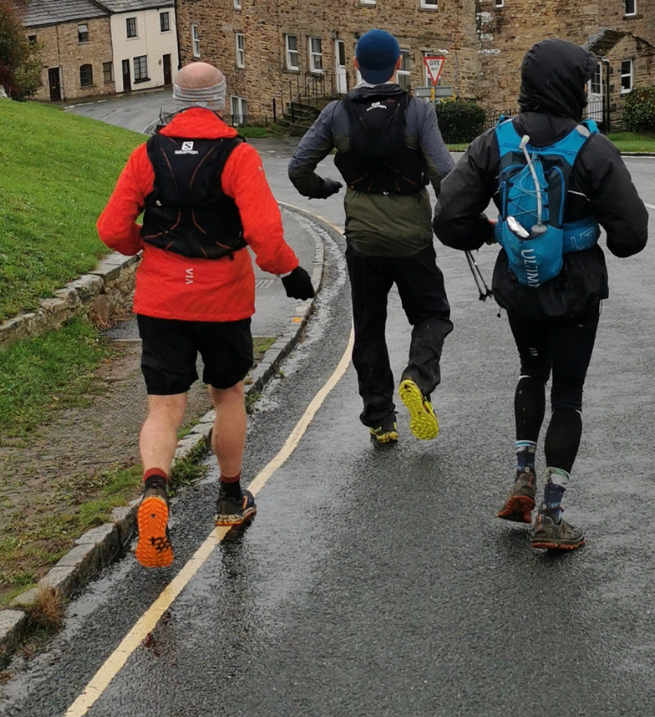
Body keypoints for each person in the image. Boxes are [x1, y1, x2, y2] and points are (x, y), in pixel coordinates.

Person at [98, 62, 315, 569]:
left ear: (175, 98)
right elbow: (263, 233)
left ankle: (155, 491)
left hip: (161, 298)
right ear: (221, 100)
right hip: (222, 298)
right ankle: (229, 498)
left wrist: (142, 247)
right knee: (227, 395)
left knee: (165, 407)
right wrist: (288, 271)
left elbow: (111, 228)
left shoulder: (147, 153)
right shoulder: (237, 155)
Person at [434, 39, 647, 551]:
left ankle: (522, 479)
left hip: (520, 286)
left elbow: (447, 219)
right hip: (575, 287)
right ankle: (551, 515)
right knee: (568, 395)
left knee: (532, 371)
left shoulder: (496, 141)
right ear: (571, 86)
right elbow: (631, 236)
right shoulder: (592, 147)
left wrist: (494, 234)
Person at [289, 29, 456, 445]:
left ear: (357, 66)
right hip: (412, 238)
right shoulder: (418, 111)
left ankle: (381, 420)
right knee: (432, 315)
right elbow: (444, 172)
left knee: (368, 326)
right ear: (398, 65)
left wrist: (322, 187)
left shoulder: (336, 113)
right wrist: (452, 216)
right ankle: (417, 377)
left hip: (363, 240)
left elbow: (297, 169)